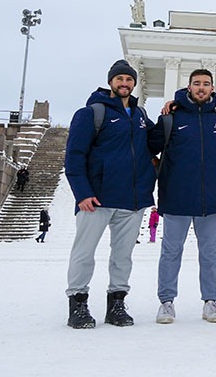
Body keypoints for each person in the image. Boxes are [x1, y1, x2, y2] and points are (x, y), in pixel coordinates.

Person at [63, 59, 156, 329]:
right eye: (120, 79)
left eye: (129, 80)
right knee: (84, 252)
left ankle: (117, 303)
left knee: (123, 255)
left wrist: (174, 111)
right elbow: (74, 156)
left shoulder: (140, 116)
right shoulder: (91, 113)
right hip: (97, 198)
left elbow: (155, 141)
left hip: (132, 200)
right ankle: (78, 303)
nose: (125, 83)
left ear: (134, 84)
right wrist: (82, 193)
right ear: (111, 82)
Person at [149, 69, 216, 325]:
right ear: (189, 87)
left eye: (206, 84)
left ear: (212, 88)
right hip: (177, 196)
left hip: (212, 199)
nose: (201, 88)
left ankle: (210, 300)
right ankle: (166, 302)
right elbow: (146, 146)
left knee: (210, 252)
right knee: (171, 251)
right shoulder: (171, 117)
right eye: (196, 83)